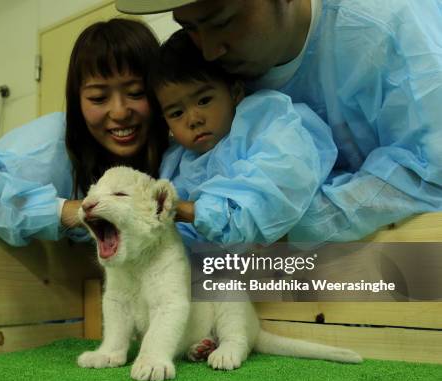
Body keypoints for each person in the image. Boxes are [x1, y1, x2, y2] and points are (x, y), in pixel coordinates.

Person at [117, 0, 442, 242]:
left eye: (222, 21)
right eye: (189, 27)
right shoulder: (226, 71)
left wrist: (278, 217)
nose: (210, 50)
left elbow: (430, 172)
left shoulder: (383, 26)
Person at [0, 19, 168, 246]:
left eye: (136, 92)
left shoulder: (180, 156)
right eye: (98, 97)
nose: (120, 112)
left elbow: (205, 274)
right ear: (77, 102)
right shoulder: (50, 146)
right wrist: (64, 211)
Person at [154, 29, 337, 245]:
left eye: (204, 100)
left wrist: (190, 211)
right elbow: (180, 239)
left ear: (235, 92)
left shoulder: (265, 123)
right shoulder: (178, 164)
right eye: (177, 113)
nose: (193, 119)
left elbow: (272, 193)